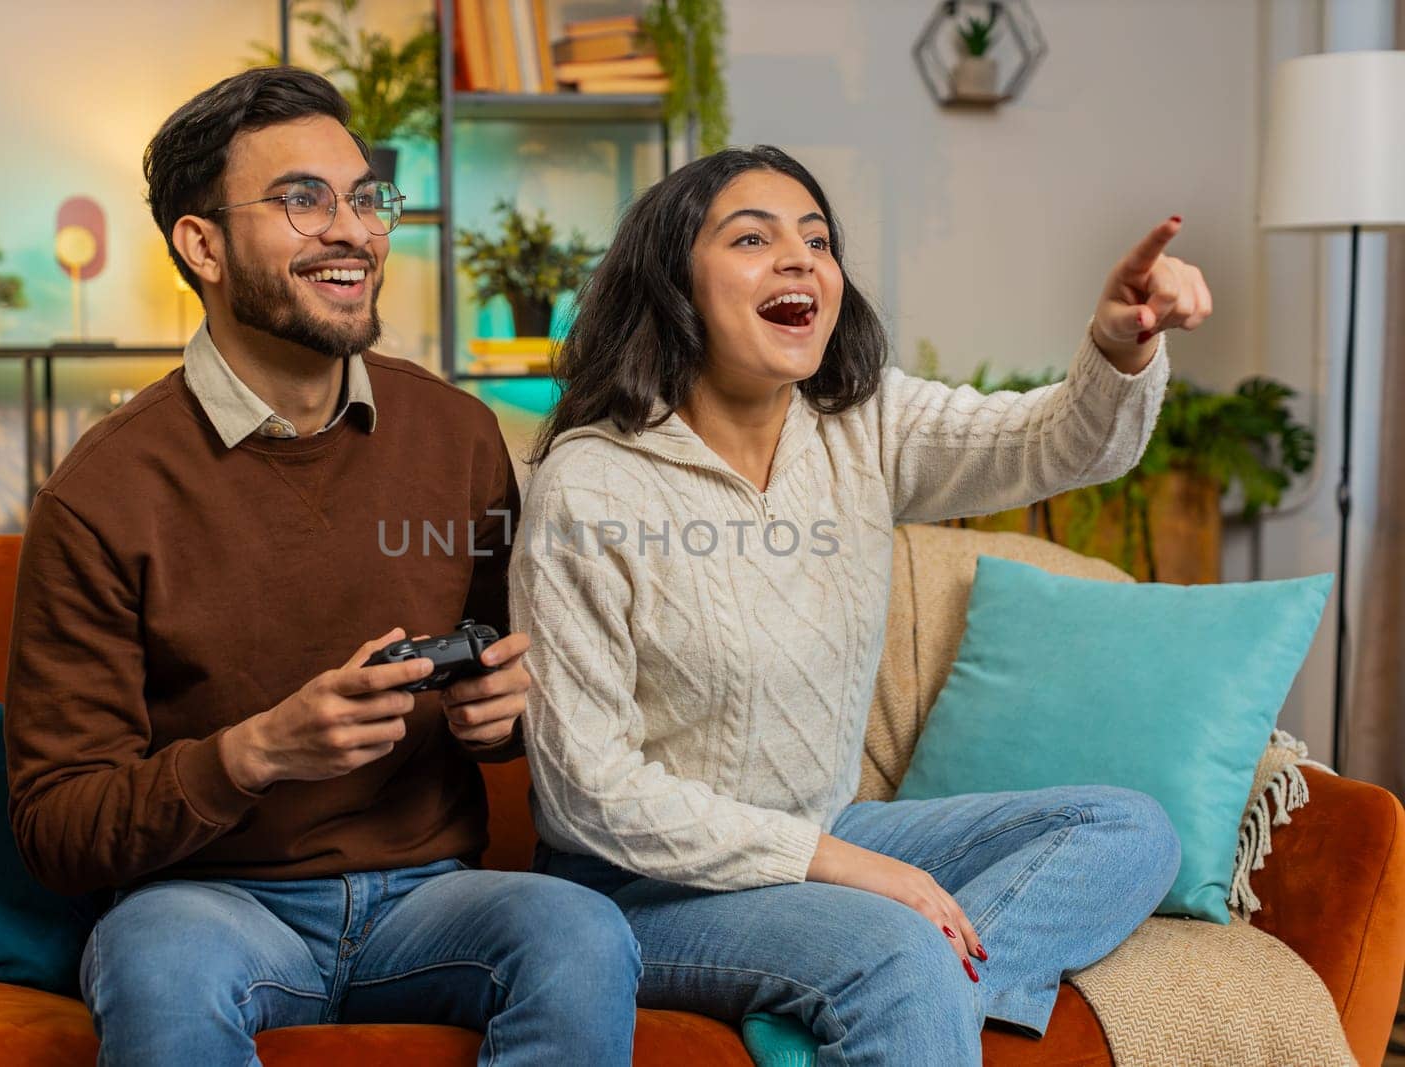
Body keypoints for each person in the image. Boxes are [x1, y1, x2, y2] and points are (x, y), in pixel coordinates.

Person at [511, 145, 1207, 1066]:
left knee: (1129, 830)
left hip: (829, 831)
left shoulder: (863, 420)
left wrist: (1123, 345)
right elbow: (582, 791)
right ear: (672, 281)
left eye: (818, 239)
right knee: (893, 945)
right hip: (643, 888)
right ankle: (880, 980)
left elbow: (1054, 442)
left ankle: (867, 1000)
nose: (800, 257)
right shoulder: (590, 486)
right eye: (752, 238)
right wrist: (832, 864)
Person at [4, 67, 639, 1067]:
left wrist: (504, 715)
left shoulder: (459, 434)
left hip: (434, 894)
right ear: (201, 243)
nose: (352, 230)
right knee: (156, 968)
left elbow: (522, 683)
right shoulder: (102, 490)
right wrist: (255, 750)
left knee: (580, 932)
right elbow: (56, 825)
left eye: (363, 197)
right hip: (209, 900)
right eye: (302, 199)